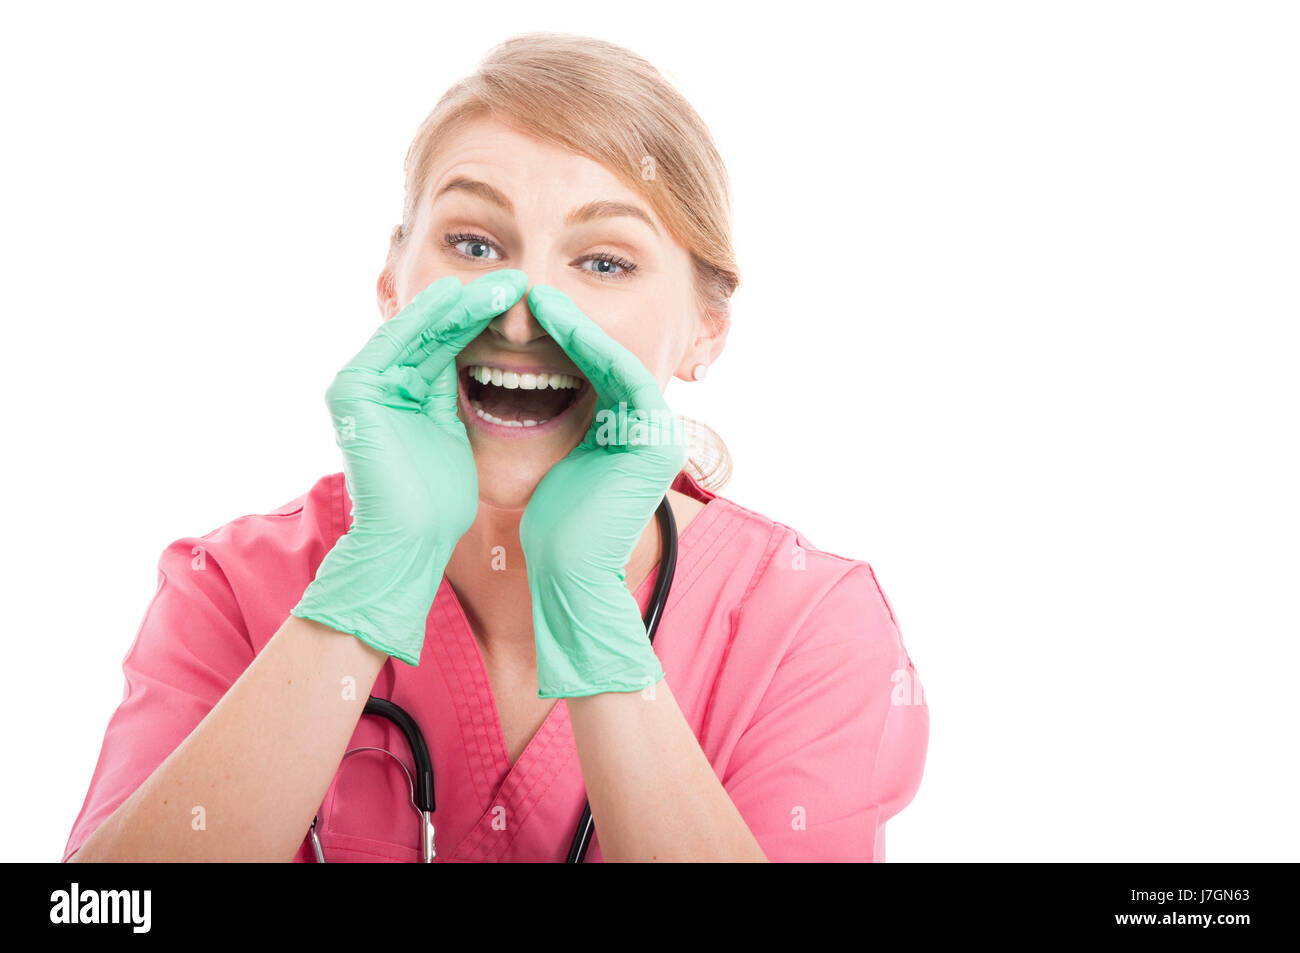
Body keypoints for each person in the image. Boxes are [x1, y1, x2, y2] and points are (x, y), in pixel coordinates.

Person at [63, 31, 929, 863]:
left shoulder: (809, 625)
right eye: (475, 245)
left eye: (603, 262)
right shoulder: (232, 589)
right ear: (392, 285)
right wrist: (378, 573)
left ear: (708, 331)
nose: (522, 313)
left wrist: (588, 609)